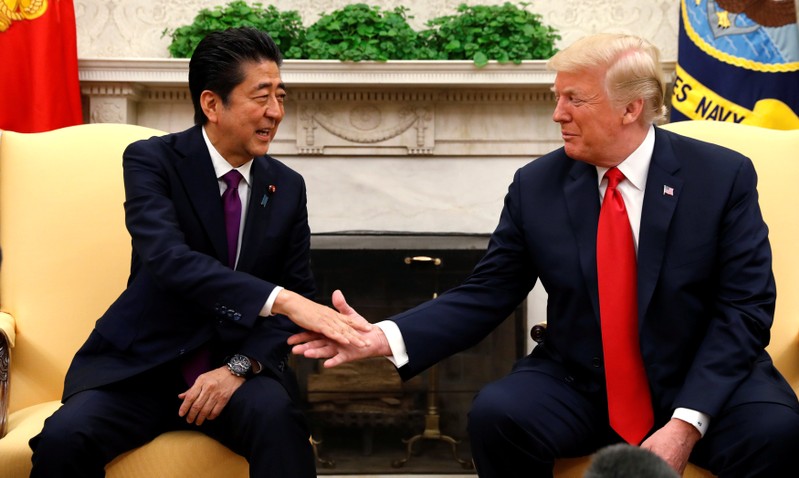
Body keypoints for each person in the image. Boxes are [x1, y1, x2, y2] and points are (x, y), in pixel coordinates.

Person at [290, 33, 799, 477]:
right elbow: (488, 292)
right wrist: (385, 336)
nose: (557, 114)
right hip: (584, 381)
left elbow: (744, 309)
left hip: (703, 377)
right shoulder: (537, 185)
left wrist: (685, 424)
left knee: (775, 432)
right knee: (498, 414)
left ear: (630, 108)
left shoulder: (722, 177)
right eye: (555, 97)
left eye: (574, 99)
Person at [28, 27, 369, 478]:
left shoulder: (285, 186)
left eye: (280, 96)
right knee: (63, 439)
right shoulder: (152, 161)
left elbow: (296, 302)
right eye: (261, 97)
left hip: (236, 370)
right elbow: (170, 261)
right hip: (143, 369)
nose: (276, 112)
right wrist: (279, 298)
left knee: (280, 423)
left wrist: (239, 368)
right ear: (212, 104)